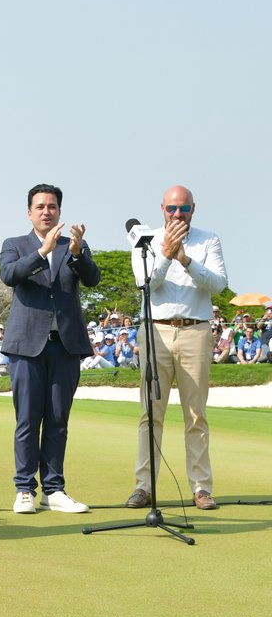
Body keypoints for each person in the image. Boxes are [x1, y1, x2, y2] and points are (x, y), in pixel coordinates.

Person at [0, 183, 100, 514]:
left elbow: (93, 279)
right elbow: (10, 275)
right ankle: (25, 489)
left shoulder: (74, 247)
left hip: (65, 346)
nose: (47, 211)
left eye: (52, 206)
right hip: (27, 346)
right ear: (29, 212)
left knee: (58, 419)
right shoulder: (15, 245)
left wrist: (77, 253)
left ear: (59, 211)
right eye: (40, 206)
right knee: (28, 419)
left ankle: (54, 489)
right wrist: (42, 251)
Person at [126, 185, 228, 512]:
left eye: (183, 209)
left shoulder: (208, 240)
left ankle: (201, 487)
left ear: (193, 209)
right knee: (150, 414)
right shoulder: (146, 241)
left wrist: (184, 258)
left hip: (195, 330)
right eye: (172, 209)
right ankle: (145, 486)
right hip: (155, 330)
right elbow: (146, 283)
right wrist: (167, 254)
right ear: (162, 209)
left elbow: (217, 284)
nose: (178, 214)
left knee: (196, 414)